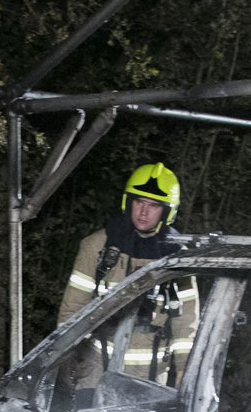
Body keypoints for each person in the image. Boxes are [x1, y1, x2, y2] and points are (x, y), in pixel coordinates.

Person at [57, 162, 200, 384]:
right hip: (95, 371)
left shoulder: (178, 258)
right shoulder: (96, 247)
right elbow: (72, 310)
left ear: (167, 210)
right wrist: (63, 362)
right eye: (139, 202)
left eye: (153, 205)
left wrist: (185, 372)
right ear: (128, 202)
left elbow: (186, 324)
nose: (143, 212)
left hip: (150, 379)